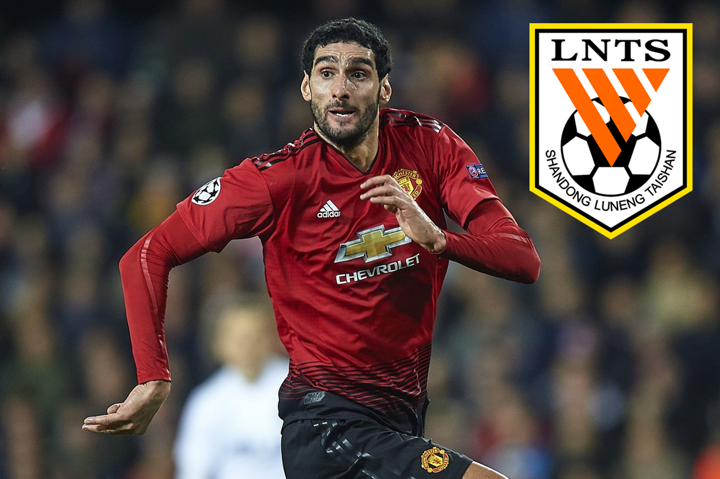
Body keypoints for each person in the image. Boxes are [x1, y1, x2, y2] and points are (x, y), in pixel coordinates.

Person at [83, 17, 541, 479]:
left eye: (358, 74)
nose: (340, 89)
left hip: (401, 417)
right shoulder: (275, 180)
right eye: (326, 73)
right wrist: (154, 377)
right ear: (307, 88)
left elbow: (522, 259)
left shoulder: (431, 145)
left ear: (384, 88)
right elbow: (146, 254)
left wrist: (441, 240)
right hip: (325, 424)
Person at [173, 297, 287, 479]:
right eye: (239, 339)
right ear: (220, 343)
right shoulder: (207, 401)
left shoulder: (299, 387)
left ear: (270, 337)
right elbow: (193, 470)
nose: (247, 346)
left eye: (254, 337)